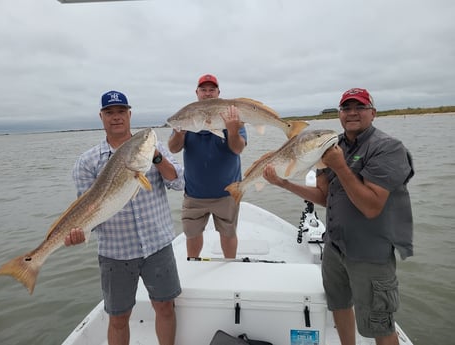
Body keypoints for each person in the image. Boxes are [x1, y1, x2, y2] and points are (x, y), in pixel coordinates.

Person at [262, 88, 414, 345]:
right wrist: (283, 184)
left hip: (370, 254)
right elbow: (323, 196)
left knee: (379, 324)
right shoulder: (329, 147)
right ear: (340, 114)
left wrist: (340, 165)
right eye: (346, 108)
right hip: (334, 246)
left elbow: (372, 206)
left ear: (373, 113)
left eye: (360, 107)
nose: (352, 112)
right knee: (339, 306)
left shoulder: (387, 148)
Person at [64, 90, 185, 345]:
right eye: (110, 113)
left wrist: (156, 158)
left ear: (129, 115)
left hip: (157, 245)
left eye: (121, 112)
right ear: (101, 116)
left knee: (165, 307)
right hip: (115, 253)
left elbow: (178, 181)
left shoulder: (155, 148)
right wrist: (79, 232)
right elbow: (86, 208)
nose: (116, 117)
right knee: (118, 318)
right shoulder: (87, 162)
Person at [168, 74, 247, 259]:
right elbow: (173, 148)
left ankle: (230, 264)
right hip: (194, 193)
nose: (208, 93)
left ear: (219, 93)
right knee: (192, 234)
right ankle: (193, 263)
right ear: (197, 92)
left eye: (212, 89)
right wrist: (180, 133)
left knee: (228, 233)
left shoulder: (232, 114)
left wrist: (233, 130)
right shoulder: (188, 114)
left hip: (228, 191)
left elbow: (237, 149)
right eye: (203, 89)